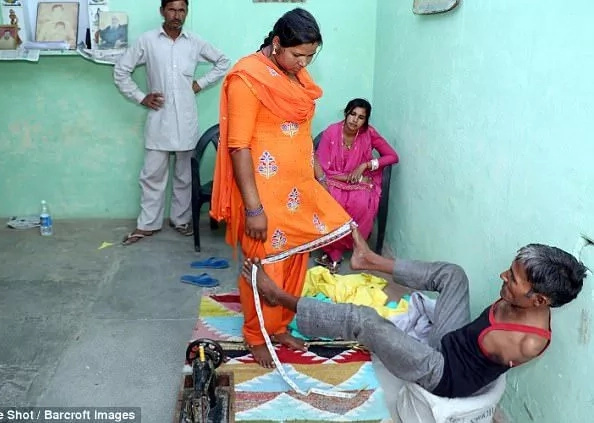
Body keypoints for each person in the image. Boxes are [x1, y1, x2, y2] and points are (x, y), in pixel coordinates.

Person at [242, 225, 587, 397]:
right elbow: (468, 334)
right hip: (452, 341)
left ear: (540, 300)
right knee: (454, 274)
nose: (503, 277)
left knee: (368, 322)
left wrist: (405, 339)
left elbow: (460, 356)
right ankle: (371, 260)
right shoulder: (523, 301)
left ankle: (282, 299)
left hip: (442, 373)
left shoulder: (526, 342)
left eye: (513, 279)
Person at [210, 8, 353, 368]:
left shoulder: (294, 76)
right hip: (261, 193)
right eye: (297, 54)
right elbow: (239, 145)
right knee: (263, 266)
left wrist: (316, 167)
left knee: (294, 263)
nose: (303, 63)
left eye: (310, 56)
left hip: (297, 188)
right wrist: (254, 208)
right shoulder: (247, 78)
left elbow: (301, 130)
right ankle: (256, 334)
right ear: (276, 44)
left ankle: (279, 325)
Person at [114, 0, 230, 244]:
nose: (177, 15)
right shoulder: (147, 40)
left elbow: (223, 62)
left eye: (182, 10)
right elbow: (121, 71)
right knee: (152, 175)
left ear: (186, 13)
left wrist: (200, 83)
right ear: (162, 11)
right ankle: (147, 225)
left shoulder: (195, 42)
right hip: (159, 120)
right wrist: (141, 97)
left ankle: (181, 221)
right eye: (172, 9)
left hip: (186, 120)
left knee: (184, 176)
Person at [314, 98, 399, 273]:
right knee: (332, 200)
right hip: (332, 179)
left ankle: (348, 248)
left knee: (362, 201)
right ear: (346, 114)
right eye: (352, 114)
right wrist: (353, 179)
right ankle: (332, 250)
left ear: (365, 121)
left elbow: (392, 156)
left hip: (358, 182)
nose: (355, 120)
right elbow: (322, 168)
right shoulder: (331, 132)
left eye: (361, 117)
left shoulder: (369, 133)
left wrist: (366, 165)